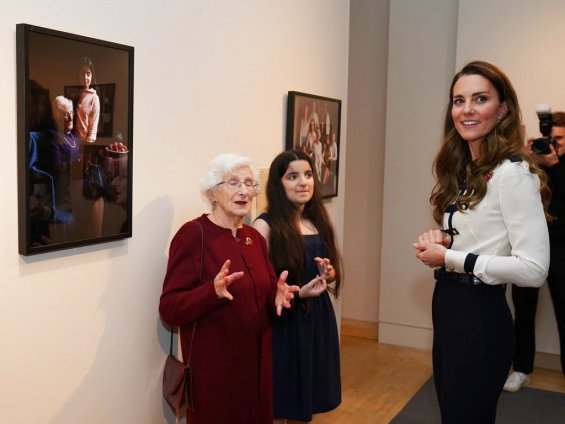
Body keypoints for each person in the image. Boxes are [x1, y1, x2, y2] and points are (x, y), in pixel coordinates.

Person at [412, 60, 551, 424]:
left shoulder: (514, 173)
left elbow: (534, 269)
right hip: (449, 307)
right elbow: (480, 238)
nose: (467, 109)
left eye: (480, 98)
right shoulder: (467, 171)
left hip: (480, 317)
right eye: (459, 100)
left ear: (503, 108)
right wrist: (441, 241)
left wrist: (454, 257)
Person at [159, 153, 299, 423]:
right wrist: (210, 292)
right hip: (216, 373)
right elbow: (169, 309)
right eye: (233, 183)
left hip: (257, 368)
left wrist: (277, 297)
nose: (245, 191)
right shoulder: (193, 235)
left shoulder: (254, 238)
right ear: (212, 193)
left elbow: (265, 294)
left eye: (249, 183)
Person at [253, 149, 342, 424]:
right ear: (278, 185)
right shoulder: (265, 225)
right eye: (293, 176)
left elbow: (333, 272)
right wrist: (298, 292)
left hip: (316, 319)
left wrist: (327, 273)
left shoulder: (316, 220)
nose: (303, 182)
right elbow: (258, 284)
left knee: (307, 398)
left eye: (307, 174)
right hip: (285, 324)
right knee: (282, 400)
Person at [504, 111, 565, 392]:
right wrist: (525, 161)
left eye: (560, 138)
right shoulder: (528, 167)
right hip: (528, 247)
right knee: (523, 313)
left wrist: (555, 165)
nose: (553, 144)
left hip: (562, 250)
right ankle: (522, 369)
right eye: (548, 139)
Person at [74, 57, 100, 144]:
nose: (85, 77)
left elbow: (94, 122)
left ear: (92, 76)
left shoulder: (94, 97)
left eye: (88, 74)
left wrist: (90, 139)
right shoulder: (74, 95)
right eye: (82, 74)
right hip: (71, 139)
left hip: (84, 141)